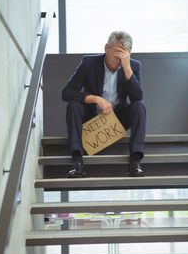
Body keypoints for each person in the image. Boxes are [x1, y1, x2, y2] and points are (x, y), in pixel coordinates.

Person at [62, 31, 146, 178]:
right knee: (73, 105)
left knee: (140, 106)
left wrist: (126, 68)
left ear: (129, 53)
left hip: (117, 119)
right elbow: (67, 93)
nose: (118, 59)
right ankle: (77, 161)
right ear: (106, 48)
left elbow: (137, 97)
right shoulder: (89, 63)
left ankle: (135, 162)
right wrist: (95, 99)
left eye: (123, 54)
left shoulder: (134, 66)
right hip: (91, 116)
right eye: (116, 54)